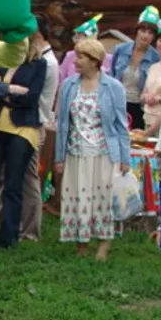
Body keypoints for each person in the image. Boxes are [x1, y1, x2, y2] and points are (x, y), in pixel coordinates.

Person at [56, 38, 130, 262]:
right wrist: (59, 157)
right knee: (78, 198)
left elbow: (120, 124)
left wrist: (124, 158)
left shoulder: (112, 87)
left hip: (103, 153)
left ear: (94, 61)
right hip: (75, 153)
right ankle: (81, 244)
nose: (75, 61)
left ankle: (103, 244)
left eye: (80, 57)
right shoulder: (69, 85)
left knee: (101, 199)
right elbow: (62, 124)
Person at [0, 35, 46, 251]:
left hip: (23, 129)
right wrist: (10, 90)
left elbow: (31, 98)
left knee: (13, 186)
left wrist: (0, 90)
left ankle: (7, 239)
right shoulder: (2, 58)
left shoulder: (38, 64)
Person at [106, 6, 161, 130]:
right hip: (116, 102)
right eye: (143, 30)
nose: (145, 35)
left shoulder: (156, 58)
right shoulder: (120, 49)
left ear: (154, 37)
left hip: (138, 108)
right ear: (137, 31)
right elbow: (110, 76)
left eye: (150, 33)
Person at [59, 14, 112, 84]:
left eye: (81, 35)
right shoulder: (70, 56)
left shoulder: (109, 59)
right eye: (75, 35)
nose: (75, 39)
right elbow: (60, 81)